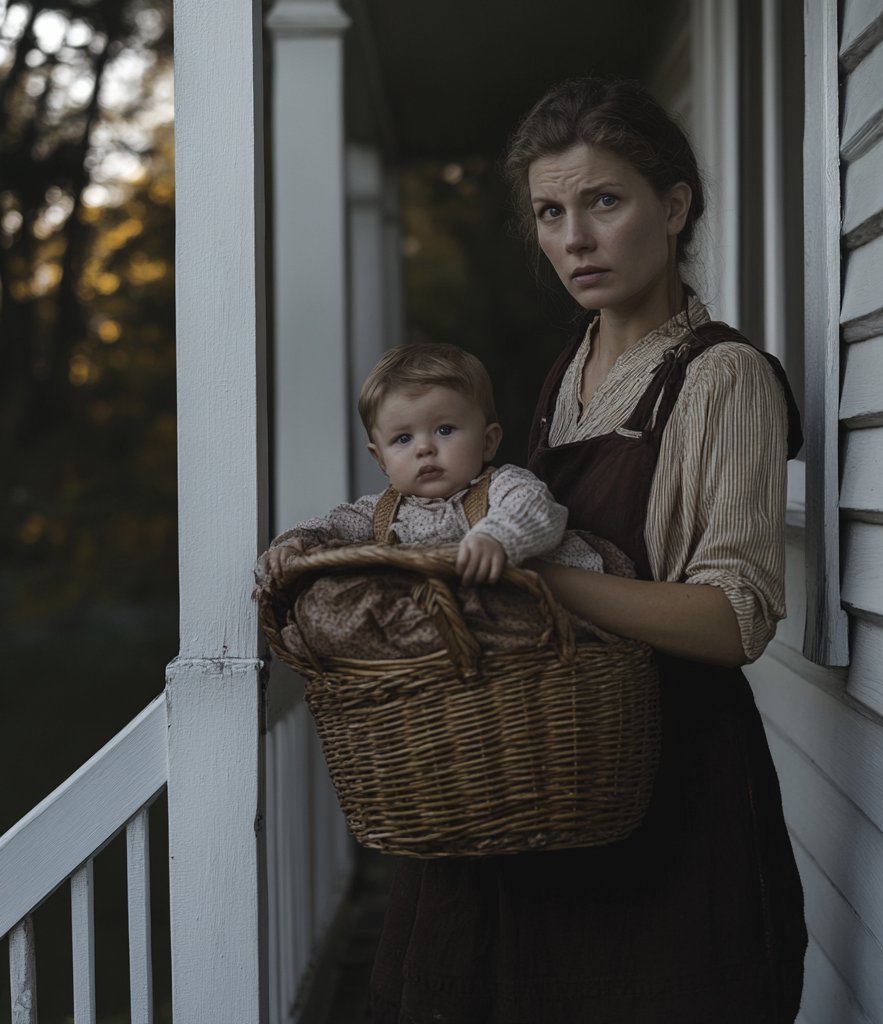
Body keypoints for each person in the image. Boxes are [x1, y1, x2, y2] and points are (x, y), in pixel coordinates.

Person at [368, 78, 808, 1023]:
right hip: (551, 773)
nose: (574, 239)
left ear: (674, 206)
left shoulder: (722, 378)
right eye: (550, 213)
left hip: (671, 796)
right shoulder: (574, 363)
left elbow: (736, 619)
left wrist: (536, 580)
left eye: (604, 202)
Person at [256, 342, 603, 590]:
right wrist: (292, 544)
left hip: (524, 606)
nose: (424, 448)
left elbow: (535, 509)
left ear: (488, 442)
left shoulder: (502, 487)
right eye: (403, 439)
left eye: (445, 430)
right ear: (381, 460)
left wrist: (495, 538)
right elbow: (330, 525)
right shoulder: (381, 513)